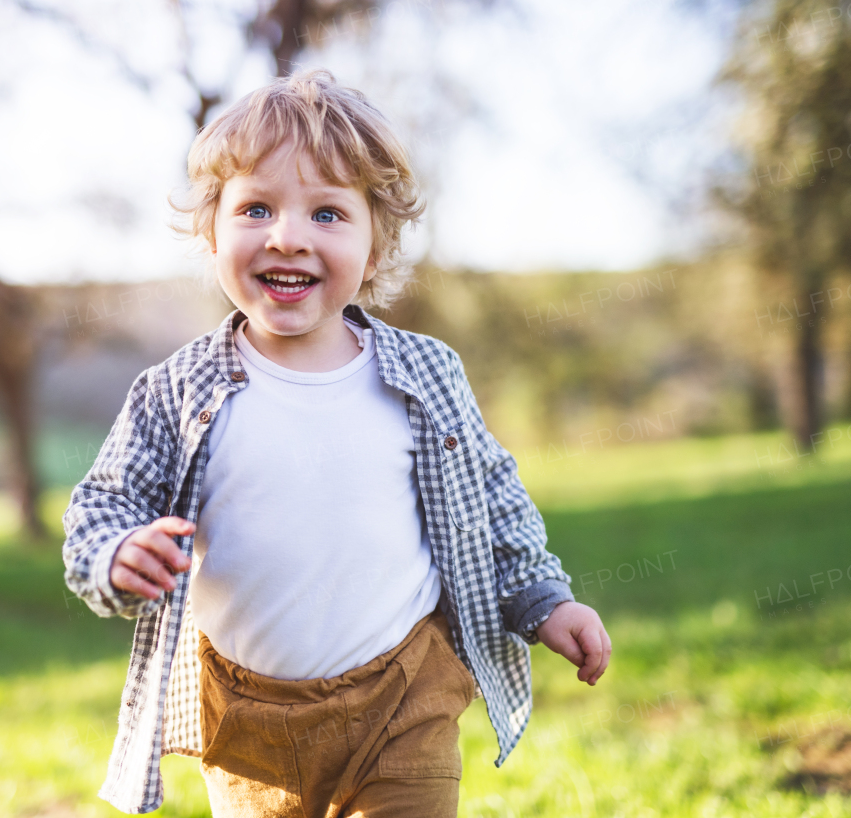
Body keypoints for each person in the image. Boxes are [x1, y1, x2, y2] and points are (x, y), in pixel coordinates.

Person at [62, 68, 611, 817]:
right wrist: (116, 553)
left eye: (327, 214)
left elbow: (492, 497)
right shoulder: (177, 392)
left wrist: (544, 598)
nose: (287, 235)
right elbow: (102, 505)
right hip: (250, 721)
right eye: (256, 207)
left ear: (376, 247)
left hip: (402, 699)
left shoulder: (425, 372)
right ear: (212, 230)